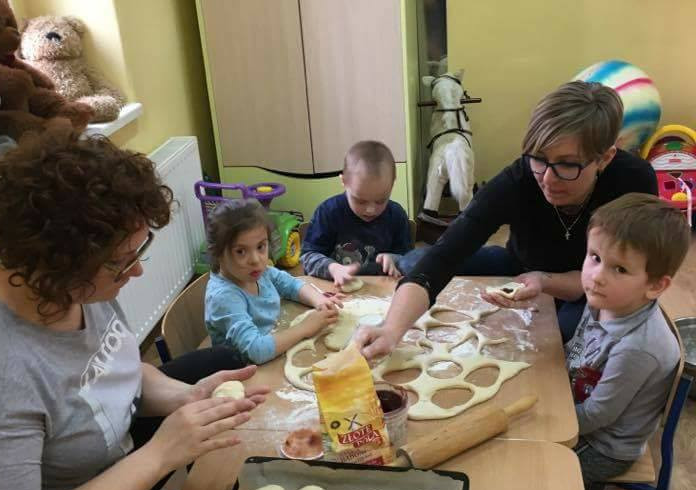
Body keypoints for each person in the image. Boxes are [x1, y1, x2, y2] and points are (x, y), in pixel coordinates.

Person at [0, 131, 268, 490]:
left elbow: (114, 368)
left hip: (108, 461)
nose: (135, 271)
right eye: (120, 261)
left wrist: (183, 399)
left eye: (137, 250)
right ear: (57, 265)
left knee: (219, 364)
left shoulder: (75, 288)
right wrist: (160, 455)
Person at [356, 81, 658, 357]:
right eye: (538, 158)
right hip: (521, 266)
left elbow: (624, 276)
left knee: (563, 338)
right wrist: (391, 330)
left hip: (591, 285)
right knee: (417, 262)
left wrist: (546, 282)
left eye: (567, 165)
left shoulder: (632, 182)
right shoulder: (519, 179)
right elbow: (445, 254)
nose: (547, 178)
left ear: (604, 158)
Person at [566, 193, 690, 490]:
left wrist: (551, 422)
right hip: (580, 405)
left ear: (655, 285)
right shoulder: (605, 300)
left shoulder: (638, 348)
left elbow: (598, 416)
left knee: (536, 470)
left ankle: (587, 486)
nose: (597, 277)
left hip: (605, 447)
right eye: (595, 257)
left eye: (619, 269)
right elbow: (577, 347)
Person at [205, 200, 341, 364]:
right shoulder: (224, 297)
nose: (256, 260)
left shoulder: (259, 273)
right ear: (218, 254)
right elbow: (256, 351)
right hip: (244, 369)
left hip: (274, 347)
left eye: (260, 247)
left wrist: (319, 299)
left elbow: (291, 285)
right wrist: (304, 328)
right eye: (240, 251)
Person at [301, 140, 420, 287]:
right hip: (337, 290)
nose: (371, 210)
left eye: (380, 201)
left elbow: (409, 259)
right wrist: (332, 268)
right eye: (360, 201)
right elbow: (308, 257)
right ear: (344, 182)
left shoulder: (396, 215)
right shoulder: (328, 212)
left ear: (392, 184)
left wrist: (394, 259)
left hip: (382, 291)